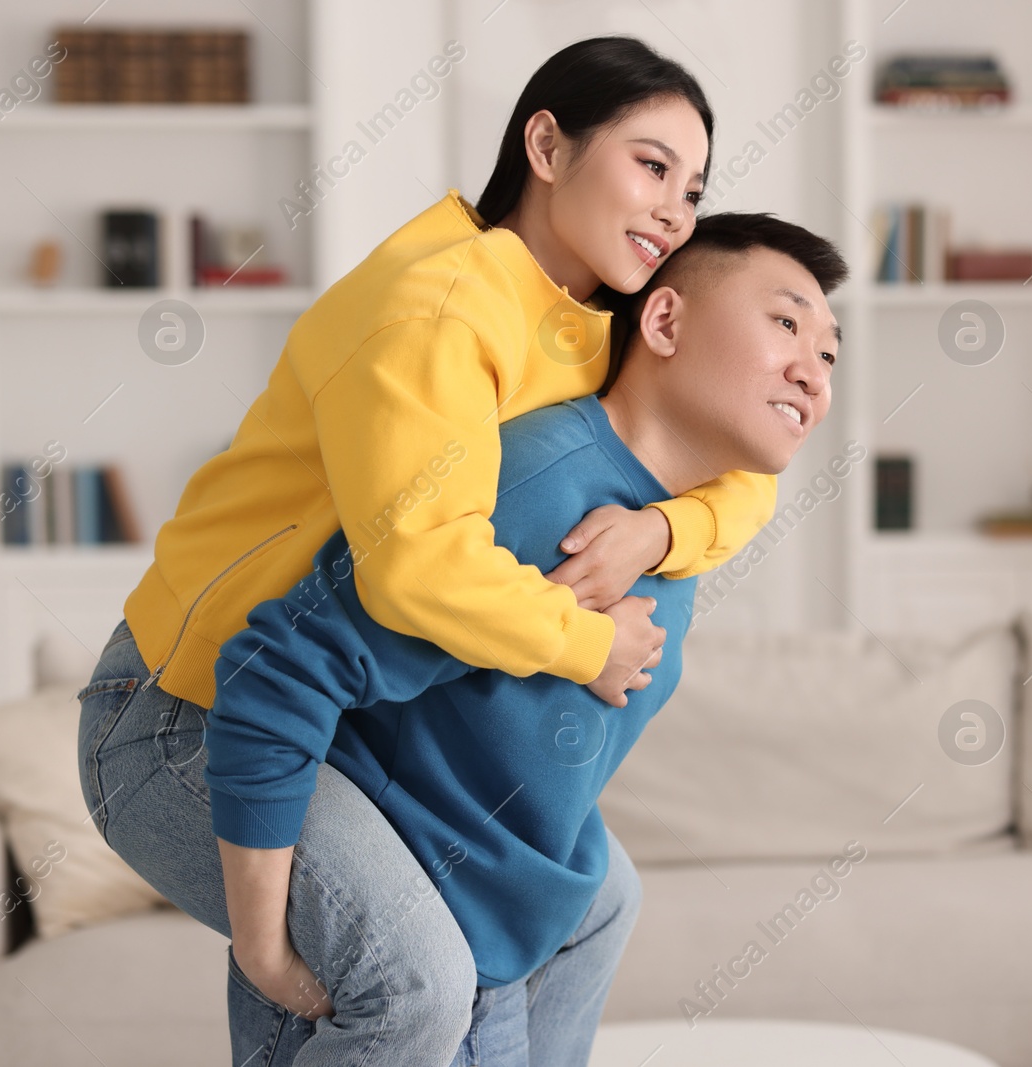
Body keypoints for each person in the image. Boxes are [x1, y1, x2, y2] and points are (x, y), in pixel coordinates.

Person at [78, 36, 776, 1067]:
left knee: (595, 900)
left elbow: (754, 454)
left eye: (696, 186)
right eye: (651, 165)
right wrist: (588, 644)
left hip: (354, 726)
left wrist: (668, 524)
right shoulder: (439, 305)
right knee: (417, 980)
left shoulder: (600, 316)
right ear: (546, 145)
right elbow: (416, 564)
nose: (677, 207)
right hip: (192, 709)